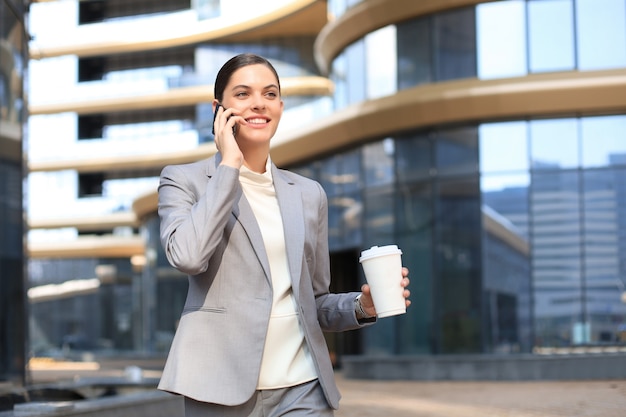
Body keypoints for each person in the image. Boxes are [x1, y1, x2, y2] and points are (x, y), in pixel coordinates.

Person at [157, 53, 411, 417]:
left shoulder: (308, 194)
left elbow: (316, 302)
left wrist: (362, 306)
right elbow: (188, 256)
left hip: (303, 389)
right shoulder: (184, 181)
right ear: (218, 109)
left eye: (270, 93)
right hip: (219, 388)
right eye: (243, 94)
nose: (259, 103)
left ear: (280, 106)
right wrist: (229, 165)